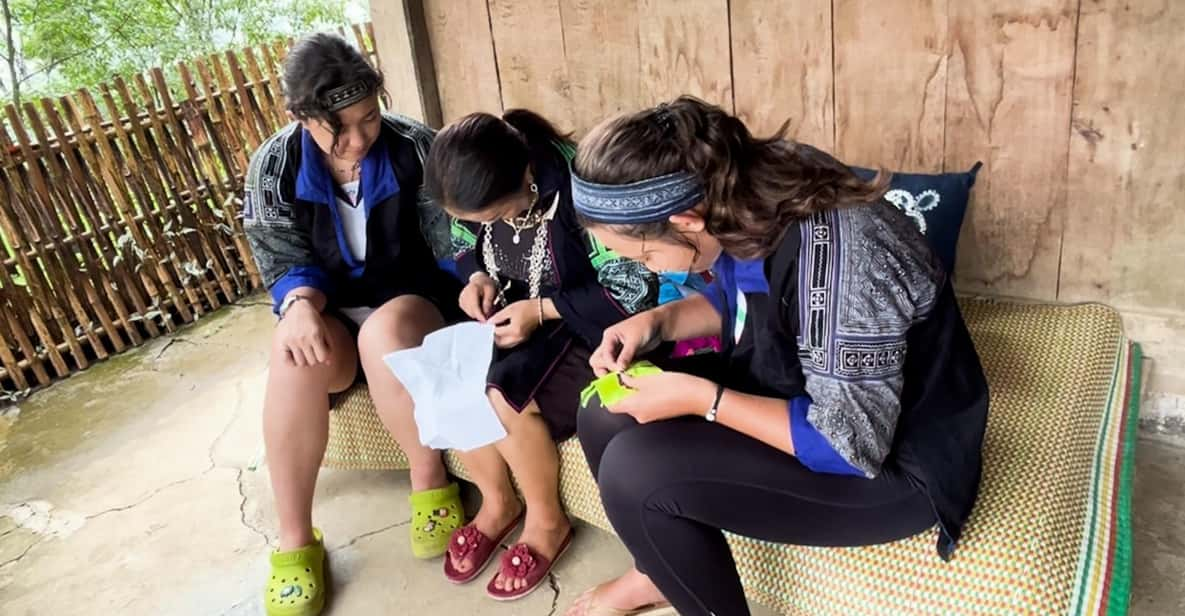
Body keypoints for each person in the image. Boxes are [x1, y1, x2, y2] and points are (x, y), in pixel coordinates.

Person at [563, 97, 990, 616]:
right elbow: (741, 302)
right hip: (794, 379)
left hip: (895, 462)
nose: (650, 271)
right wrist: (657, 322)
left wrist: (703, 399)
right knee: (603, 410)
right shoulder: (742, 187)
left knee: (638, 472)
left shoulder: (842, 265)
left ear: (688, 219)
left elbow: (850, 444)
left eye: (647, 256)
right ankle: (657, 572)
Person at [242, 33, 466, 616]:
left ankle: (430, 479)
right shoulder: (274, 166)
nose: (359, 138)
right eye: (338, 128)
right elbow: (281, 255)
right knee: (290, 355)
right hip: (332, 310)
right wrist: (297, 308)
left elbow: (452, 247)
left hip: (413, 303)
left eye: (368, 118)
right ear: (302, 118)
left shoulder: (417, 147)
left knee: (383, 334)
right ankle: (296, 541)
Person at [422, 110, 657, 601]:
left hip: (591, 328)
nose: (484, 226)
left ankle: (547, 521)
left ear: (525, 175)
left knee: (503, 396)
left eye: (491, 215)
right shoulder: (478, 184)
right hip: (518, 320)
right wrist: (476, 280)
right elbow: (464, 244)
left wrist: (543, 310)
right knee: (450, 377)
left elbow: (635, 288)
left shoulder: (581, 189)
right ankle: (496, 503)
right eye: (476, 218)